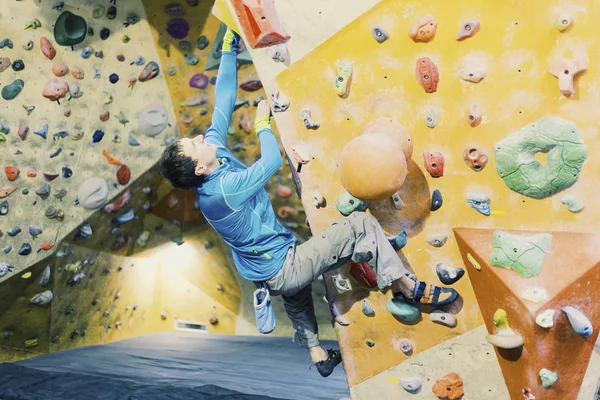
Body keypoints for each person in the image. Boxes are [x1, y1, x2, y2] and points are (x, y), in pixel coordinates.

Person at [159, 27, 459, 378]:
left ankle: (317, 354)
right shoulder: (222, 190)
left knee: (295, 292)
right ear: (199, 166)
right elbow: (269, 163)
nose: (200, 136)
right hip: (282, 265)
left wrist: (228, 50)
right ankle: (408, 288)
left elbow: (222, 102)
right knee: (359, 225)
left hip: (268, 269)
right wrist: (262, 125)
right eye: (195, 143)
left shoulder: (213, 157)